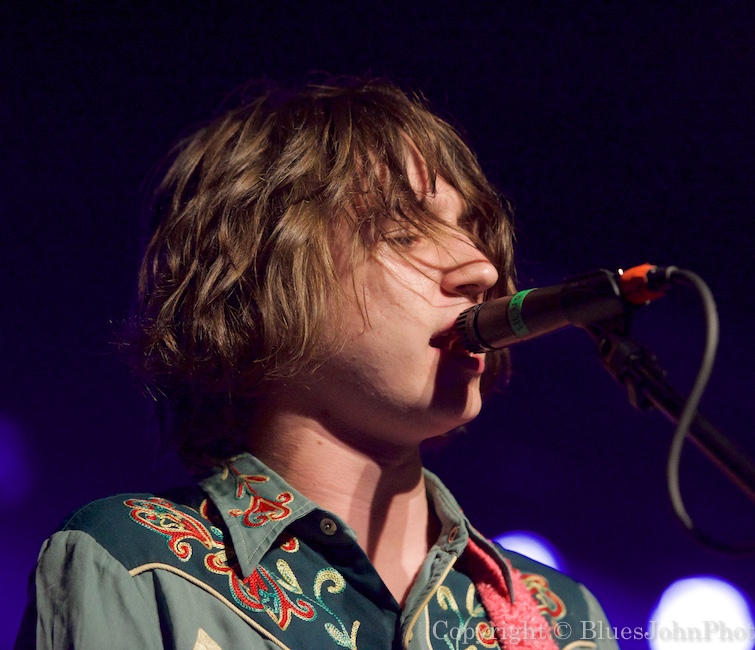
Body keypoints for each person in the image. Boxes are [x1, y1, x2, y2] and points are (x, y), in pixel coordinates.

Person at [16, 79, 618, 649]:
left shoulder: (563, 619)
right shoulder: (137, 563)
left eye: (469, 228)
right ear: (257, 281)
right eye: (403, 232)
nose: (481, 268)